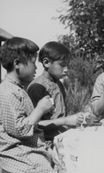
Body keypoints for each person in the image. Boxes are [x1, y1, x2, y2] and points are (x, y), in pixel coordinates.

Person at [0, 37, 55, 173]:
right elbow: (20, 129)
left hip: (28, 154)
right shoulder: (8, 91)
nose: (36, 67)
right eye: (32, 62)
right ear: (17, 63)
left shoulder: (17, 89)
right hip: (23, 160)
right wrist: (40, 109)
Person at [27, 41, 84, 142]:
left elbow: (60, 115)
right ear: (46, 63)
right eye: (62, 65)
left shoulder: (58, 84)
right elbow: (33, 125)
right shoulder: (37, 87)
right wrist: (66, 121)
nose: (66, 69)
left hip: (60, 137)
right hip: (44, 142)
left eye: (67, 65)